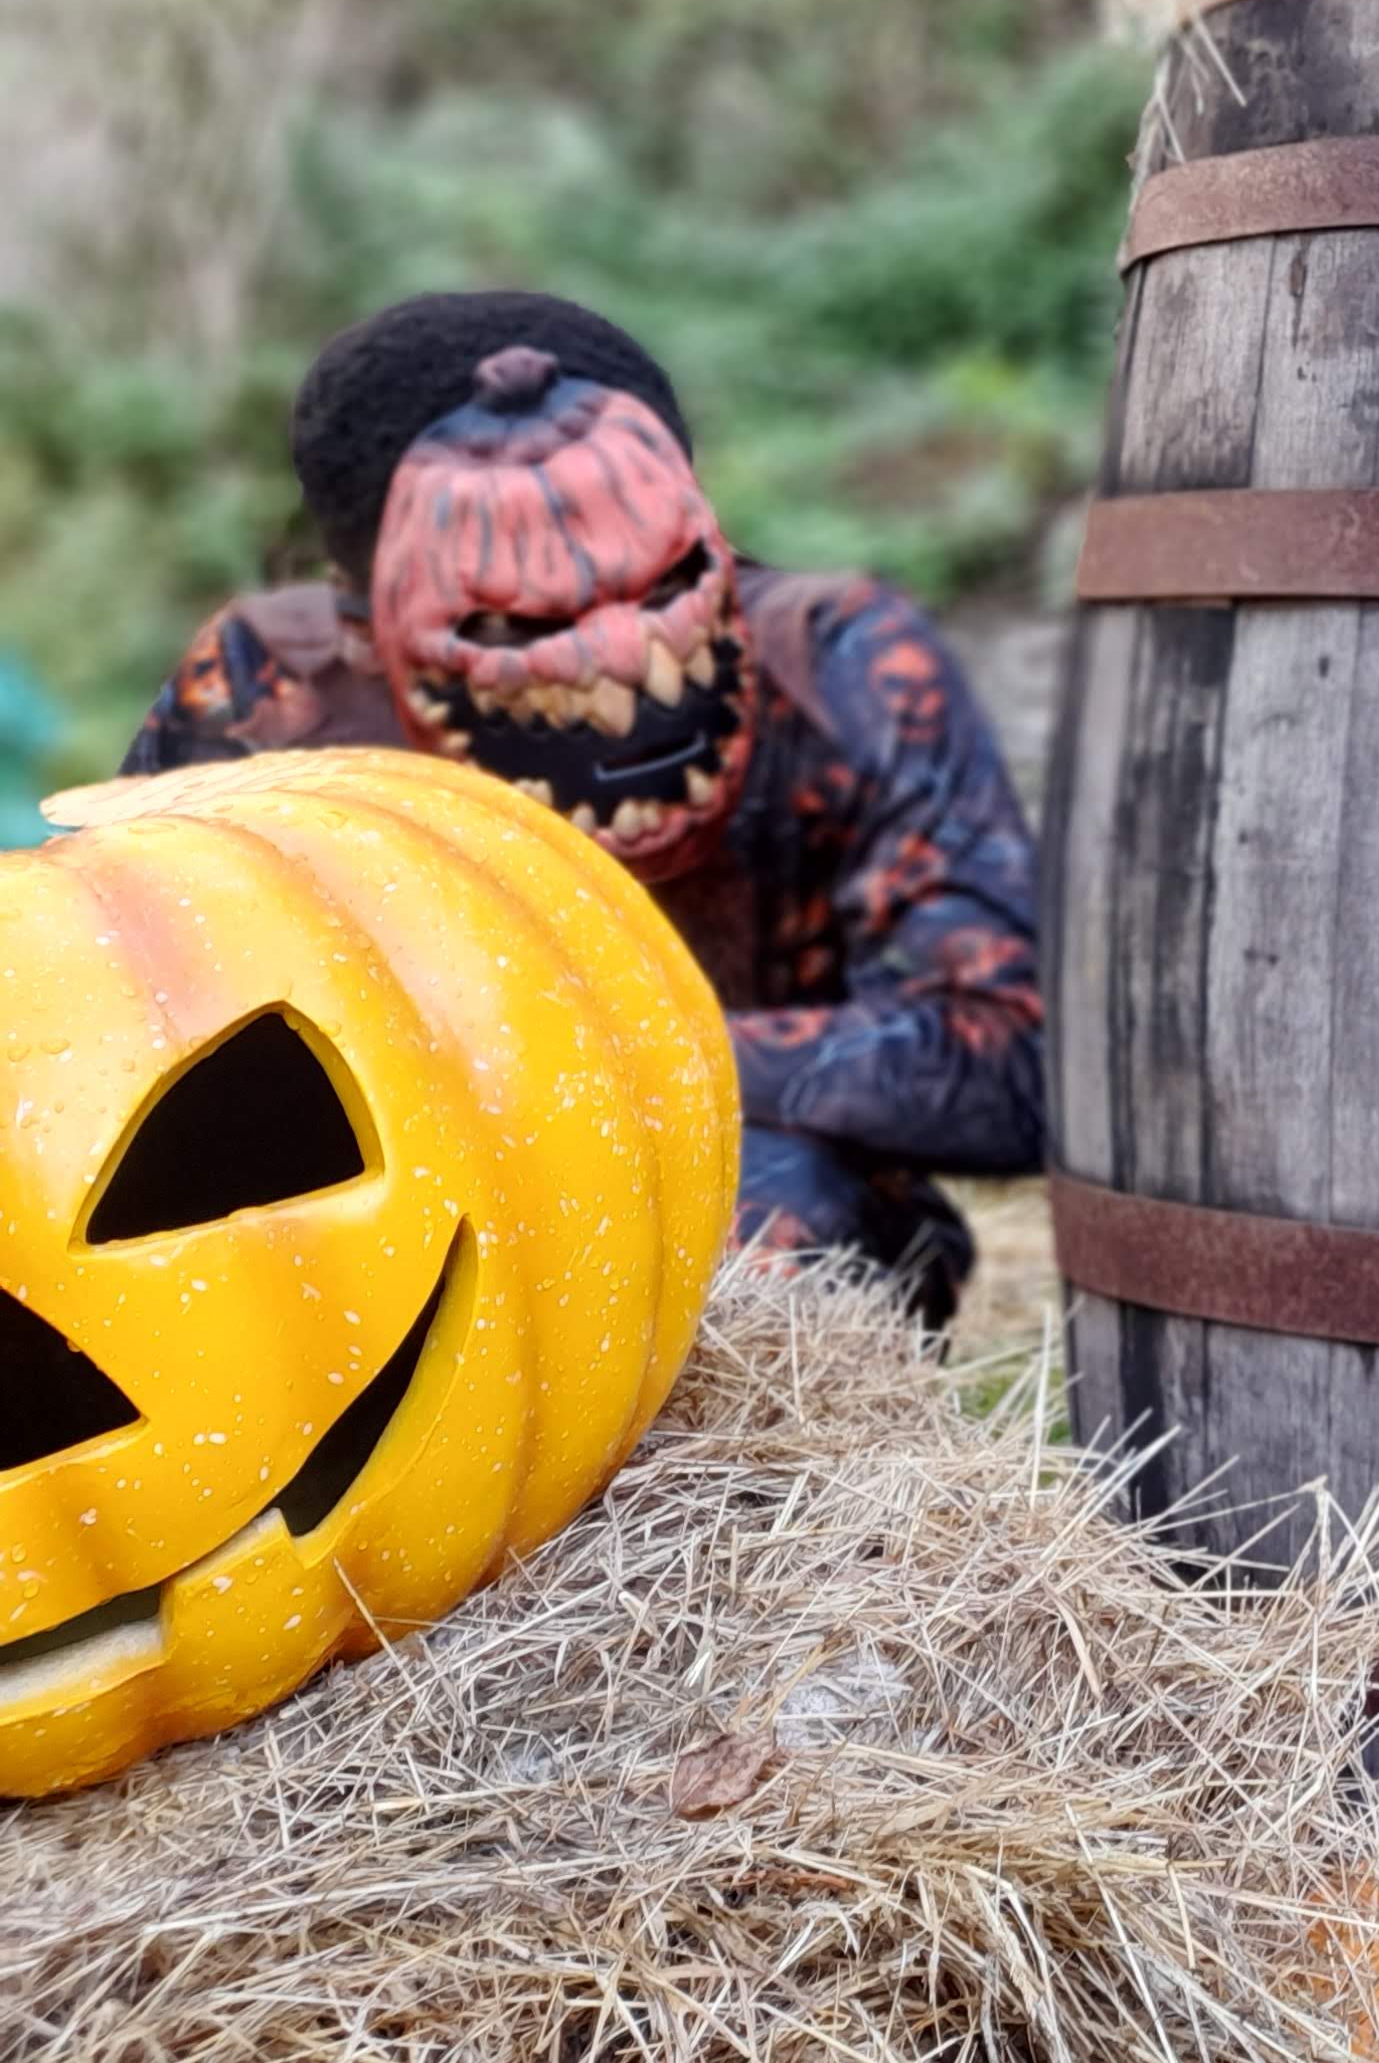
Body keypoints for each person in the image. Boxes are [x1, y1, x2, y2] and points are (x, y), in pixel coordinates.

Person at [126, 289, 1043, 1327]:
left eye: (664, 587)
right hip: (378, 1233)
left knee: (765, 1201)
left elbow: (1010, 1064)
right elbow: (139, 1046)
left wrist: (566, 1064)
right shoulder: (276, 693)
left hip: (766, 1228)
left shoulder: (841, 664)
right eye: (516, 623)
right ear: (363, 618)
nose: (614, 654)